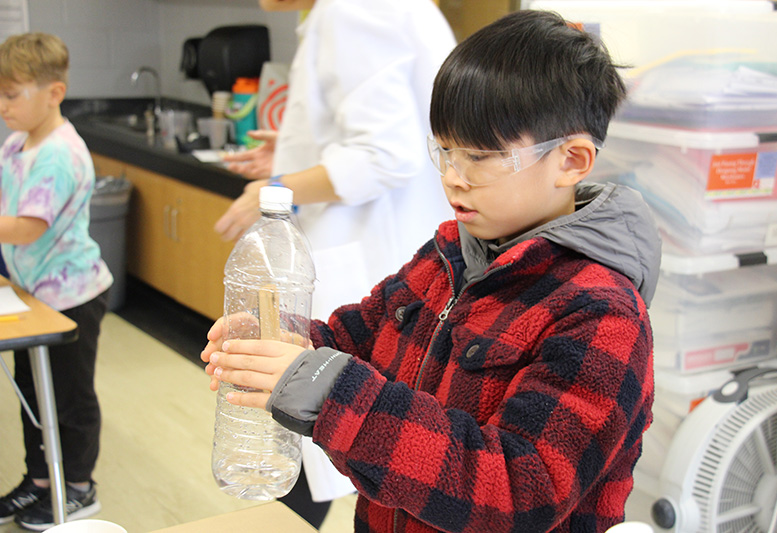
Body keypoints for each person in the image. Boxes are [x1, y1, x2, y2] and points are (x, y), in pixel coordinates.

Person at [203, 9, 661, 532]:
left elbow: (518, 490)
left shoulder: (600, 315)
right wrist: (283, 339)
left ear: (572, 161)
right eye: (443, 151)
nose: (453, 178)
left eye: (481, 157)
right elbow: (355, 336)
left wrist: (330, 391)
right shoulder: (447, 254)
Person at [215, 0, 456, 526]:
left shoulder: (352, 10)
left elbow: (387, 154)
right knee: (313, 441)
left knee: (313, 440)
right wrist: (296, 152)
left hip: (369, 261)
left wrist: (277, 186)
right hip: (387, 263)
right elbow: (390, 127)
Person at [0, 33, 112, 530]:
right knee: (32, 390)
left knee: (69, 396)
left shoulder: (59, 154)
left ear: (54, 92)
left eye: (11, 95)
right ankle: (41, 481)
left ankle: (80, 488)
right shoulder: (16, 143)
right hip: (31, 292)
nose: (2, 106)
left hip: (72, 297)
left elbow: (28, 226)